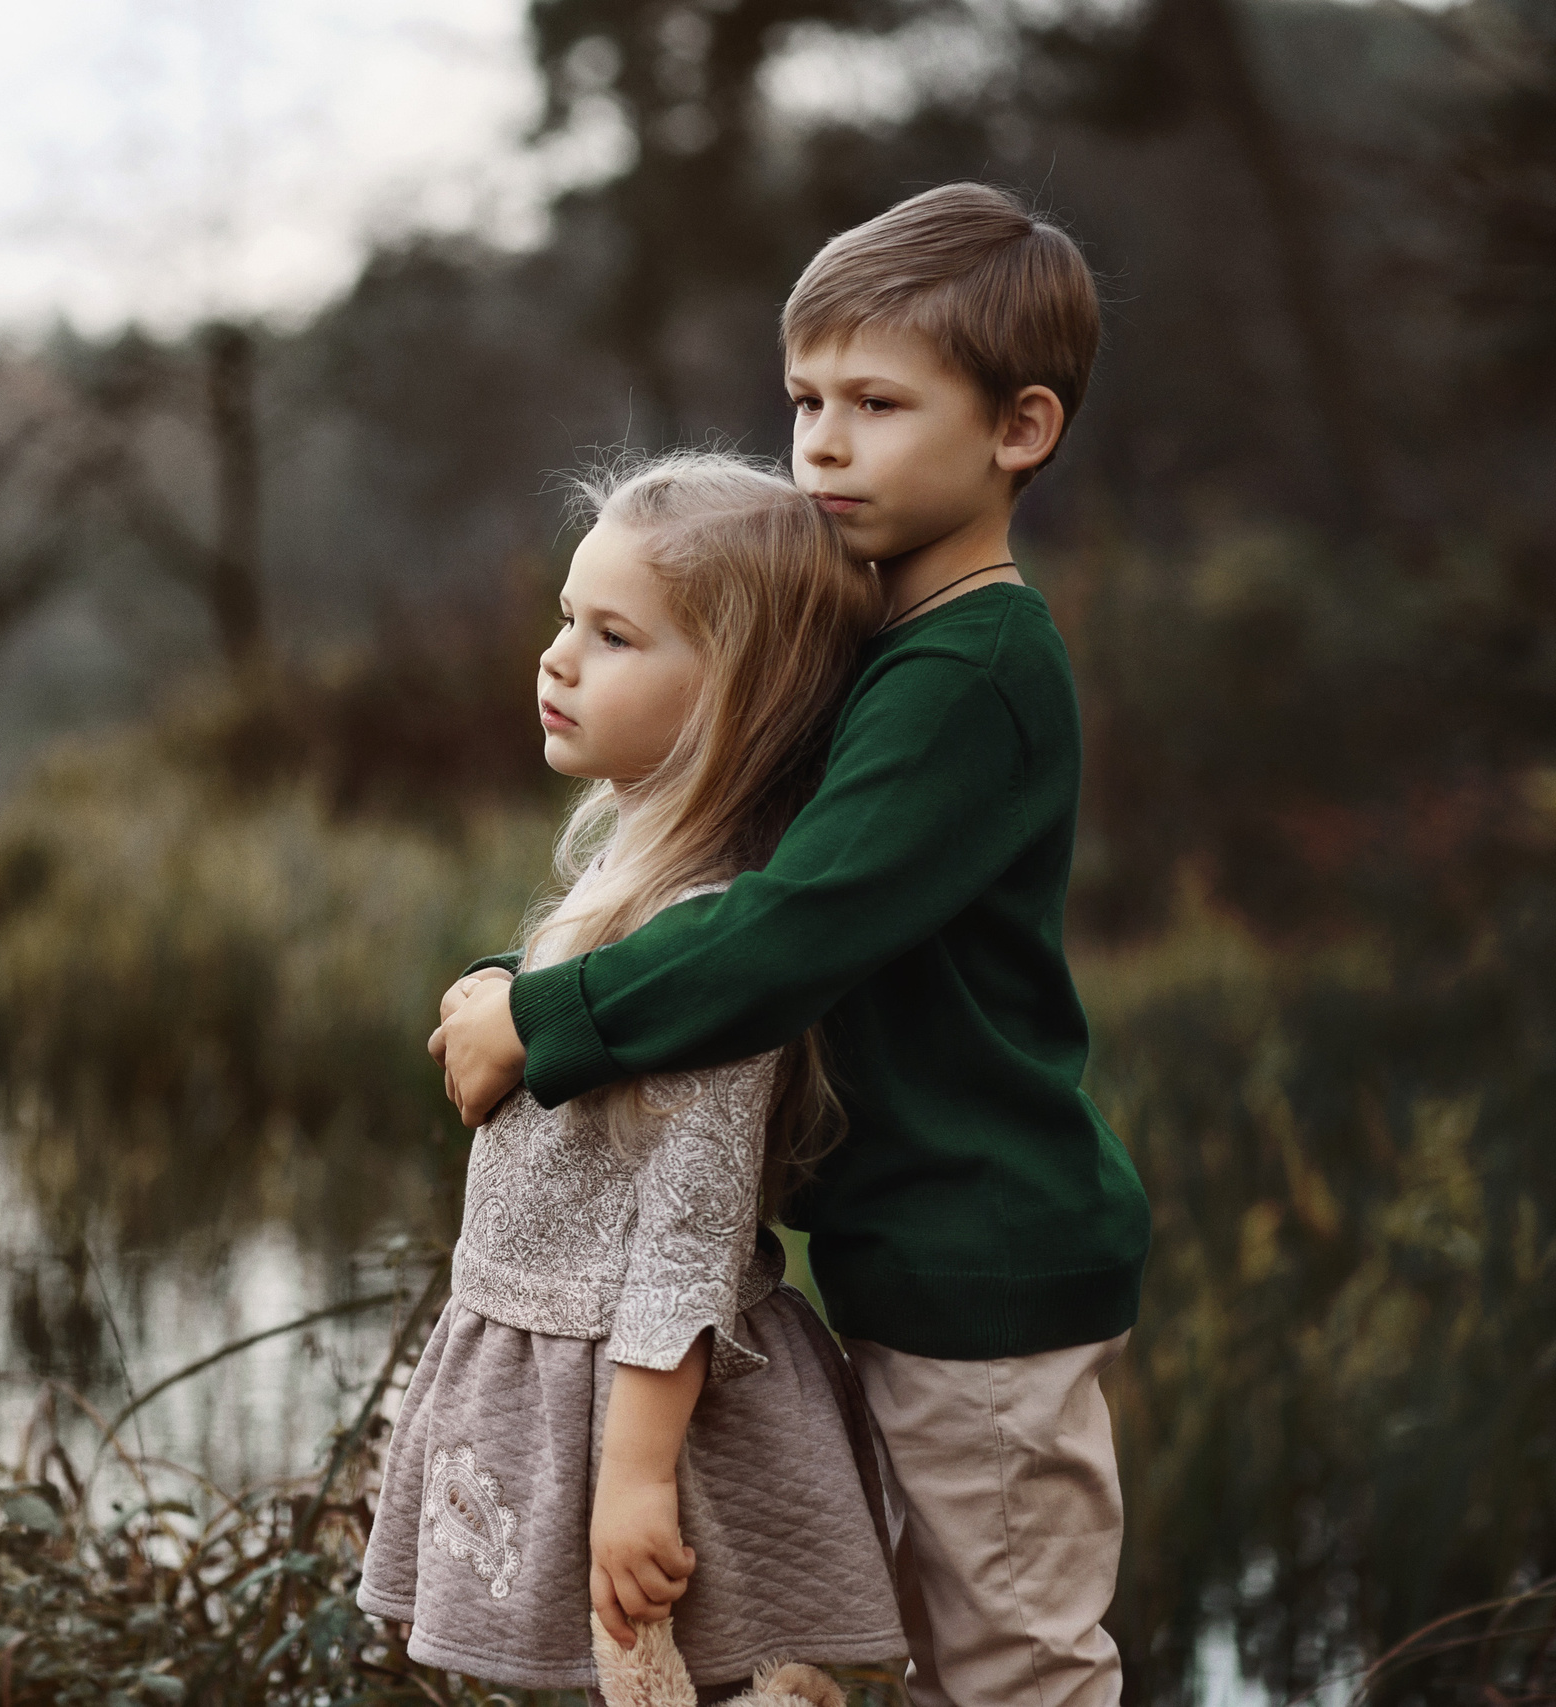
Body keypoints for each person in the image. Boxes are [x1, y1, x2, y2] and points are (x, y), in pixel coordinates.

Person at [432, 183, 1152, 1707]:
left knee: (1013, 1663)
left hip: (988, 1258)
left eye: (877, 403)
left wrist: (541, 1017)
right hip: (906, 1256)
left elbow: (787, 930)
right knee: (866, 1646)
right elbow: (720, 827)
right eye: (806, 396)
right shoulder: (894, 641)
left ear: (1019, 428)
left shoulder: (974, 667)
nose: (821, 439)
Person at [359, 453, 908, 1700]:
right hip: (552, 1374)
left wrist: (635, 1475)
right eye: (566, 619)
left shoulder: (706, 945)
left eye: (613, 636)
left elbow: (689, 1235)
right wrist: (503, 986)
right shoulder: (632, 882)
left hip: (644, 1406)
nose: (557, 660)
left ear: (737, 699)